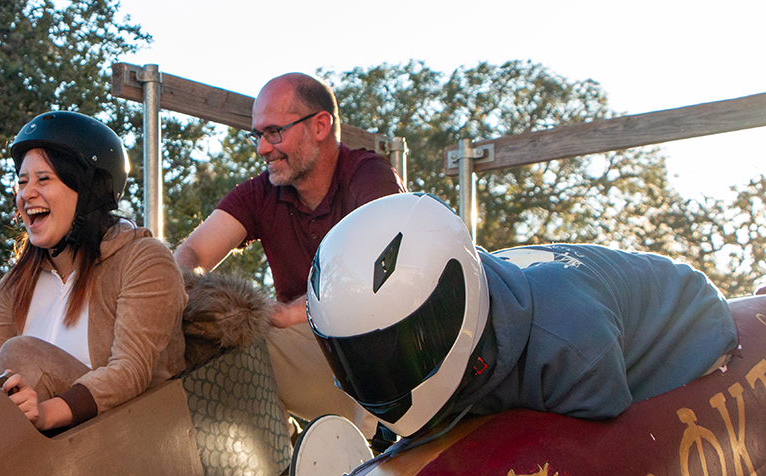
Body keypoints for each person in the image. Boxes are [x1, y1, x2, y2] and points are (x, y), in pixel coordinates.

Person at [306, 192, 739, 441]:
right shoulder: (461, 312)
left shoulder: (571, 344)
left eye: (396, 350)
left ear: (453, 301)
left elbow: (606, 453)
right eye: (360, 360)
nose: (381, 371)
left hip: (690, 326)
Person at [173, 72, 404, 441]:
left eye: (274, 132)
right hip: (318, 364)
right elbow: (194, 251)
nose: (263, 148)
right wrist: (172, 290)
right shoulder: (260, 193)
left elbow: (380, 267)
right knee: (206, 331)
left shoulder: (369, 175)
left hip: (389, 368)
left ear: (320, 126)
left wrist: (287, 313)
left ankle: (377, 450)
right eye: (258, 135)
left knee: (256, 332)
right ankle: (278, 455)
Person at [0, 110, 187, 432]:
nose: (25, 193)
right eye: (22, 182)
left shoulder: (143, 260)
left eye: (43, 179)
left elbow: (130, 370)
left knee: (22, 354)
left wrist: (45, 413)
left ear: (88, 190)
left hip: (136, 443)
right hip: (40, 457)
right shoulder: (14, 285)